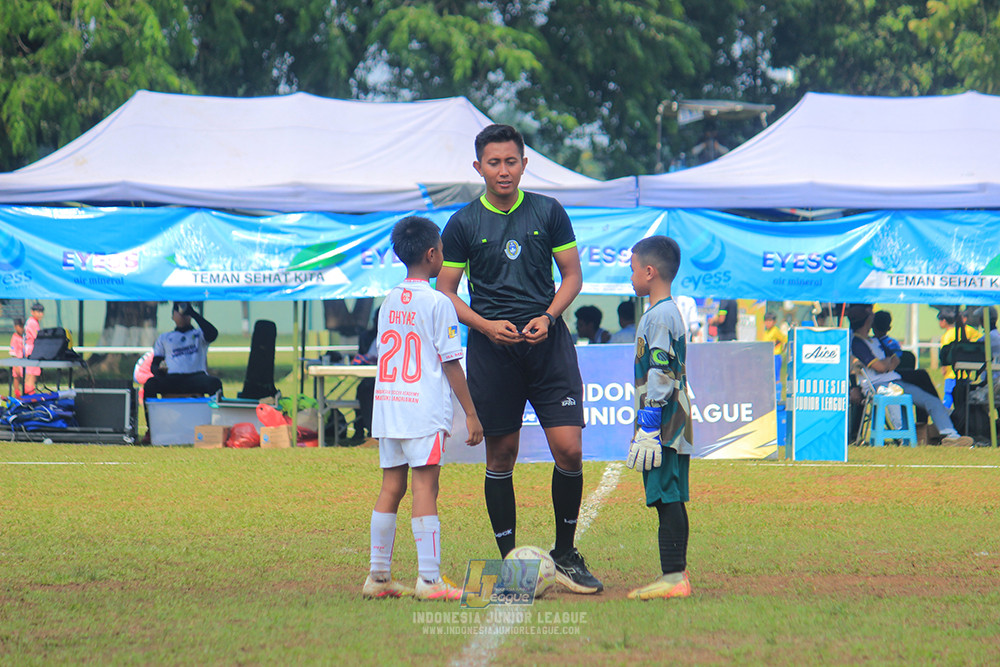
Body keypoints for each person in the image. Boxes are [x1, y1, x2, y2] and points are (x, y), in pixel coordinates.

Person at [437, 123, 603, 594]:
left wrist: (549, 316)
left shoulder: (548, 212)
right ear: (478, 168)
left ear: (525, 163)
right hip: (492, 354)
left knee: (569, 448)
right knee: (501, 454)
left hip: (547, 347)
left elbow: (572, 276)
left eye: (512, 161)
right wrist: (486, 326)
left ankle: (566, 554)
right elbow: (445, 291)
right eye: (494, 163)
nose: (504, 171)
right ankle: (510, 561)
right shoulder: (464, 222)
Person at [364, 216, 484, 601]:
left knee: (390, 486)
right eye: (444, 253)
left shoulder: (388, 300)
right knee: (425, 487)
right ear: (432, 254)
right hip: (422, 411)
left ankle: (378, 577)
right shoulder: (438, 302)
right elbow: (451, 361)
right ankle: (430, 580)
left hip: (388, 407)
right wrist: (470, 412)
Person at [624, 236, 693, 600]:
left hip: (665, 421)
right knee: (669, 496)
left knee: (667, 496)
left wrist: (649, 425)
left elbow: (661, 370)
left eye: (633, 269)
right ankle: (675, 575)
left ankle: (673, 577)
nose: (630, 276)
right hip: (668, 419)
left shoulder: (661, 315)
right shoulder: (661, 313)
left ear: (650, 272)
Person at [849, 306, 972, 447]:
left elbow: (896, 359)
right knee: (896, 403)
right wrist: (887, 364)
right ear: (866, 320)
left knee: (931, 401)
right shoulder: (857, 343)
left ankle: (952, 437)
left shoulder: (874, 340)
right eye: (870, 314)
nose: (873, 316)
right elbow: (881, 367)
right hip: (878, 386)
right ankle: (905, 438)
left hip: (895, 382)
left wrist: (886, 364)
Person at [143, 302, 223, 400]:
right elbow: (154, 365)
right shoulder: (165, 337)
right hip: (173, 378)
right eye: (178, 310)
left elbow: (213, 334)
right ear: (172, 316)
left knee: (215, 383)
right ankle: (152, 414)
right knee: (150, 384)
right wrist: (160, 371)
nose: (182, 314)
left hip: (196, 377)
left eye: (185, 311)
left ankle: (218, 414)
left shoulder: (199, 334)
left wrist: (193, 313)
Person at [938, 308, 981, 408]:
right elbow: (979, 339)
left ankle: (945, 412)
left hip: (951, 372)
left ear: (944, 321)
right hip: (966, 370)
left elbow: (944, 354)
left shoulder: (947, 335)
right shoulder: (969, 330)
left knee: (948, 394)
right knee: (964, 394)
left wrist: (943, 367)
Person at [23, 303, 44, 394]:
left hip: (30, 349)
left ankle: (30, 393)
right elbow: (36, 337)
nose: (40, 314)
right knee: (31, 374)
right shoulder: (33, 322)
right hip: (32, 350)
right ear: (32, 312)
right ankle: (30, 395)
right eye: (38, 312)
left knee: (31, 373)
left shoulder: (32, 321)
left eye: (42, 312)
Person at [762, 312, 787, 380]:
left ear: (774, 322)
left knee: (776, 376)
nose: (768, 323)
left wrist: (780, 346)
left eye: (770, 321)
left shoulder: (775, 330)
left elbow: (785, 339)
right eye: (766, 321)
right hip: (768, 356)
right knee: (768, 376)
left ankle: (778, 390)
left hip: (776, 355)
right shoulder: (766, 331)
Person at [9, 317, 24, 397]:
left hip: (23, 360)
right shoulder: (14, 337)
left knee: (23, 377)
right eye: (20, 326)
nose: (22, 328)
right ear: (15, 327)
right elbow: (12, 351)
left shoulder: (24, 337)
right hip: (17, 361)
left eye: (22, 326)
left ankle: (25, 392)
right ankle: (17, 393)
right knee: (16, 377)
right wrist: (16, 364)